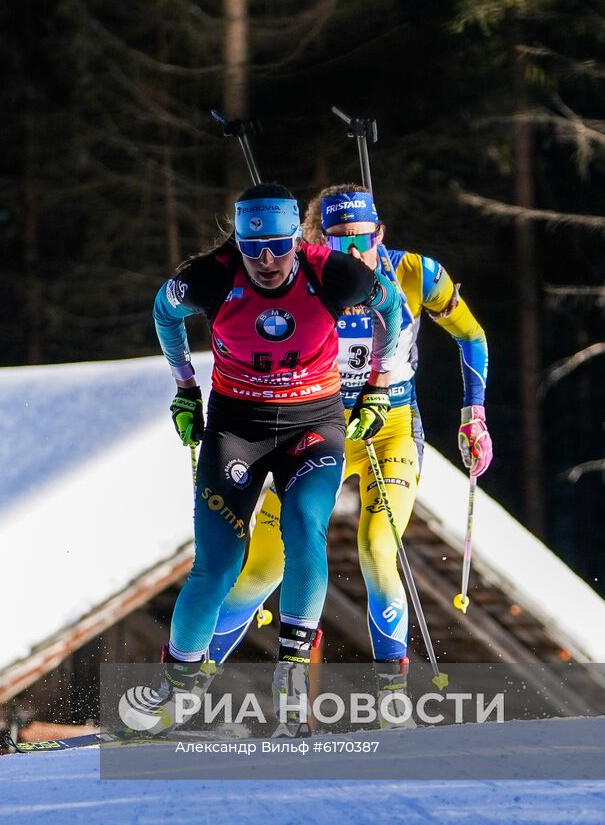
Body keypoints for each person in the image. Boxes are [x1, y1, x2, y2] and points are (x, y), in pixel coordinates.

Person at [197, 183, 492, 729]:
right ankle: (189, 686)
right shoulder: (302, 279)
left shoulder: (417, 273)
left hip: (389, 429)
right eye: (339, 240)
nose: (355, 251)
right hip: (318, 429)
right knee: (262, 567)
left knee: (378, 549)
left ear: (381, 233)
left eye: (365, 238)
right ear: (315, 240)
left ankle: (391, 699)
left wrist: (473, 415)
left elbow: (472, 336)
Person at [127, 182, 406, 737]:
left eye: (278, 247)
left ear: (297, 240)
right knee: (217, 565)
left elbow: (391, 309)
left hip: (314, 426)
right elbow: (164, 311)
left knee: (304, 527)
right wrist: (185, 387)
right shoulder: (210, 276)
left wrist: (377, 386)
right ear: (238, 242)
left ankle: (292, 681)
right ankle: (177, 691)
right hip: (238, 428)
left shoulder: (334, 273)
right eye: (253, 249)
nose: (267, 261)